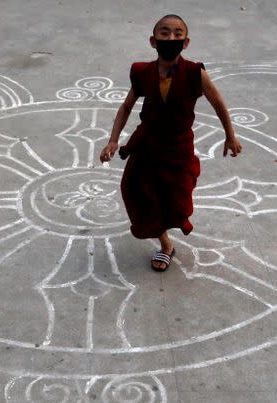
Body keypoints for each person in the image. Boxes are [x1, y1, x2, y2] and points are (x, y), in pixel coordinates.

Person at [99, 14, 242, 271]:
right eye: (164, 33)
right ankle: (165, 244)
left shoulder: (194, 73)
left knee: (178, 201)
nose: (171, 38)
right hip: (147, 147)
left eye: (177, 34)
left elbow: (217, 102)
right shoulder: (143, 73)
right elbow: (127, 106)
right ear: (153, 41)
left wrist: (230, 135)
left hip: (178, 148)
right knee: (138, 193)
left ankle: (168, 232)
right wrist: (112, 141)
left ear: (186, 42)